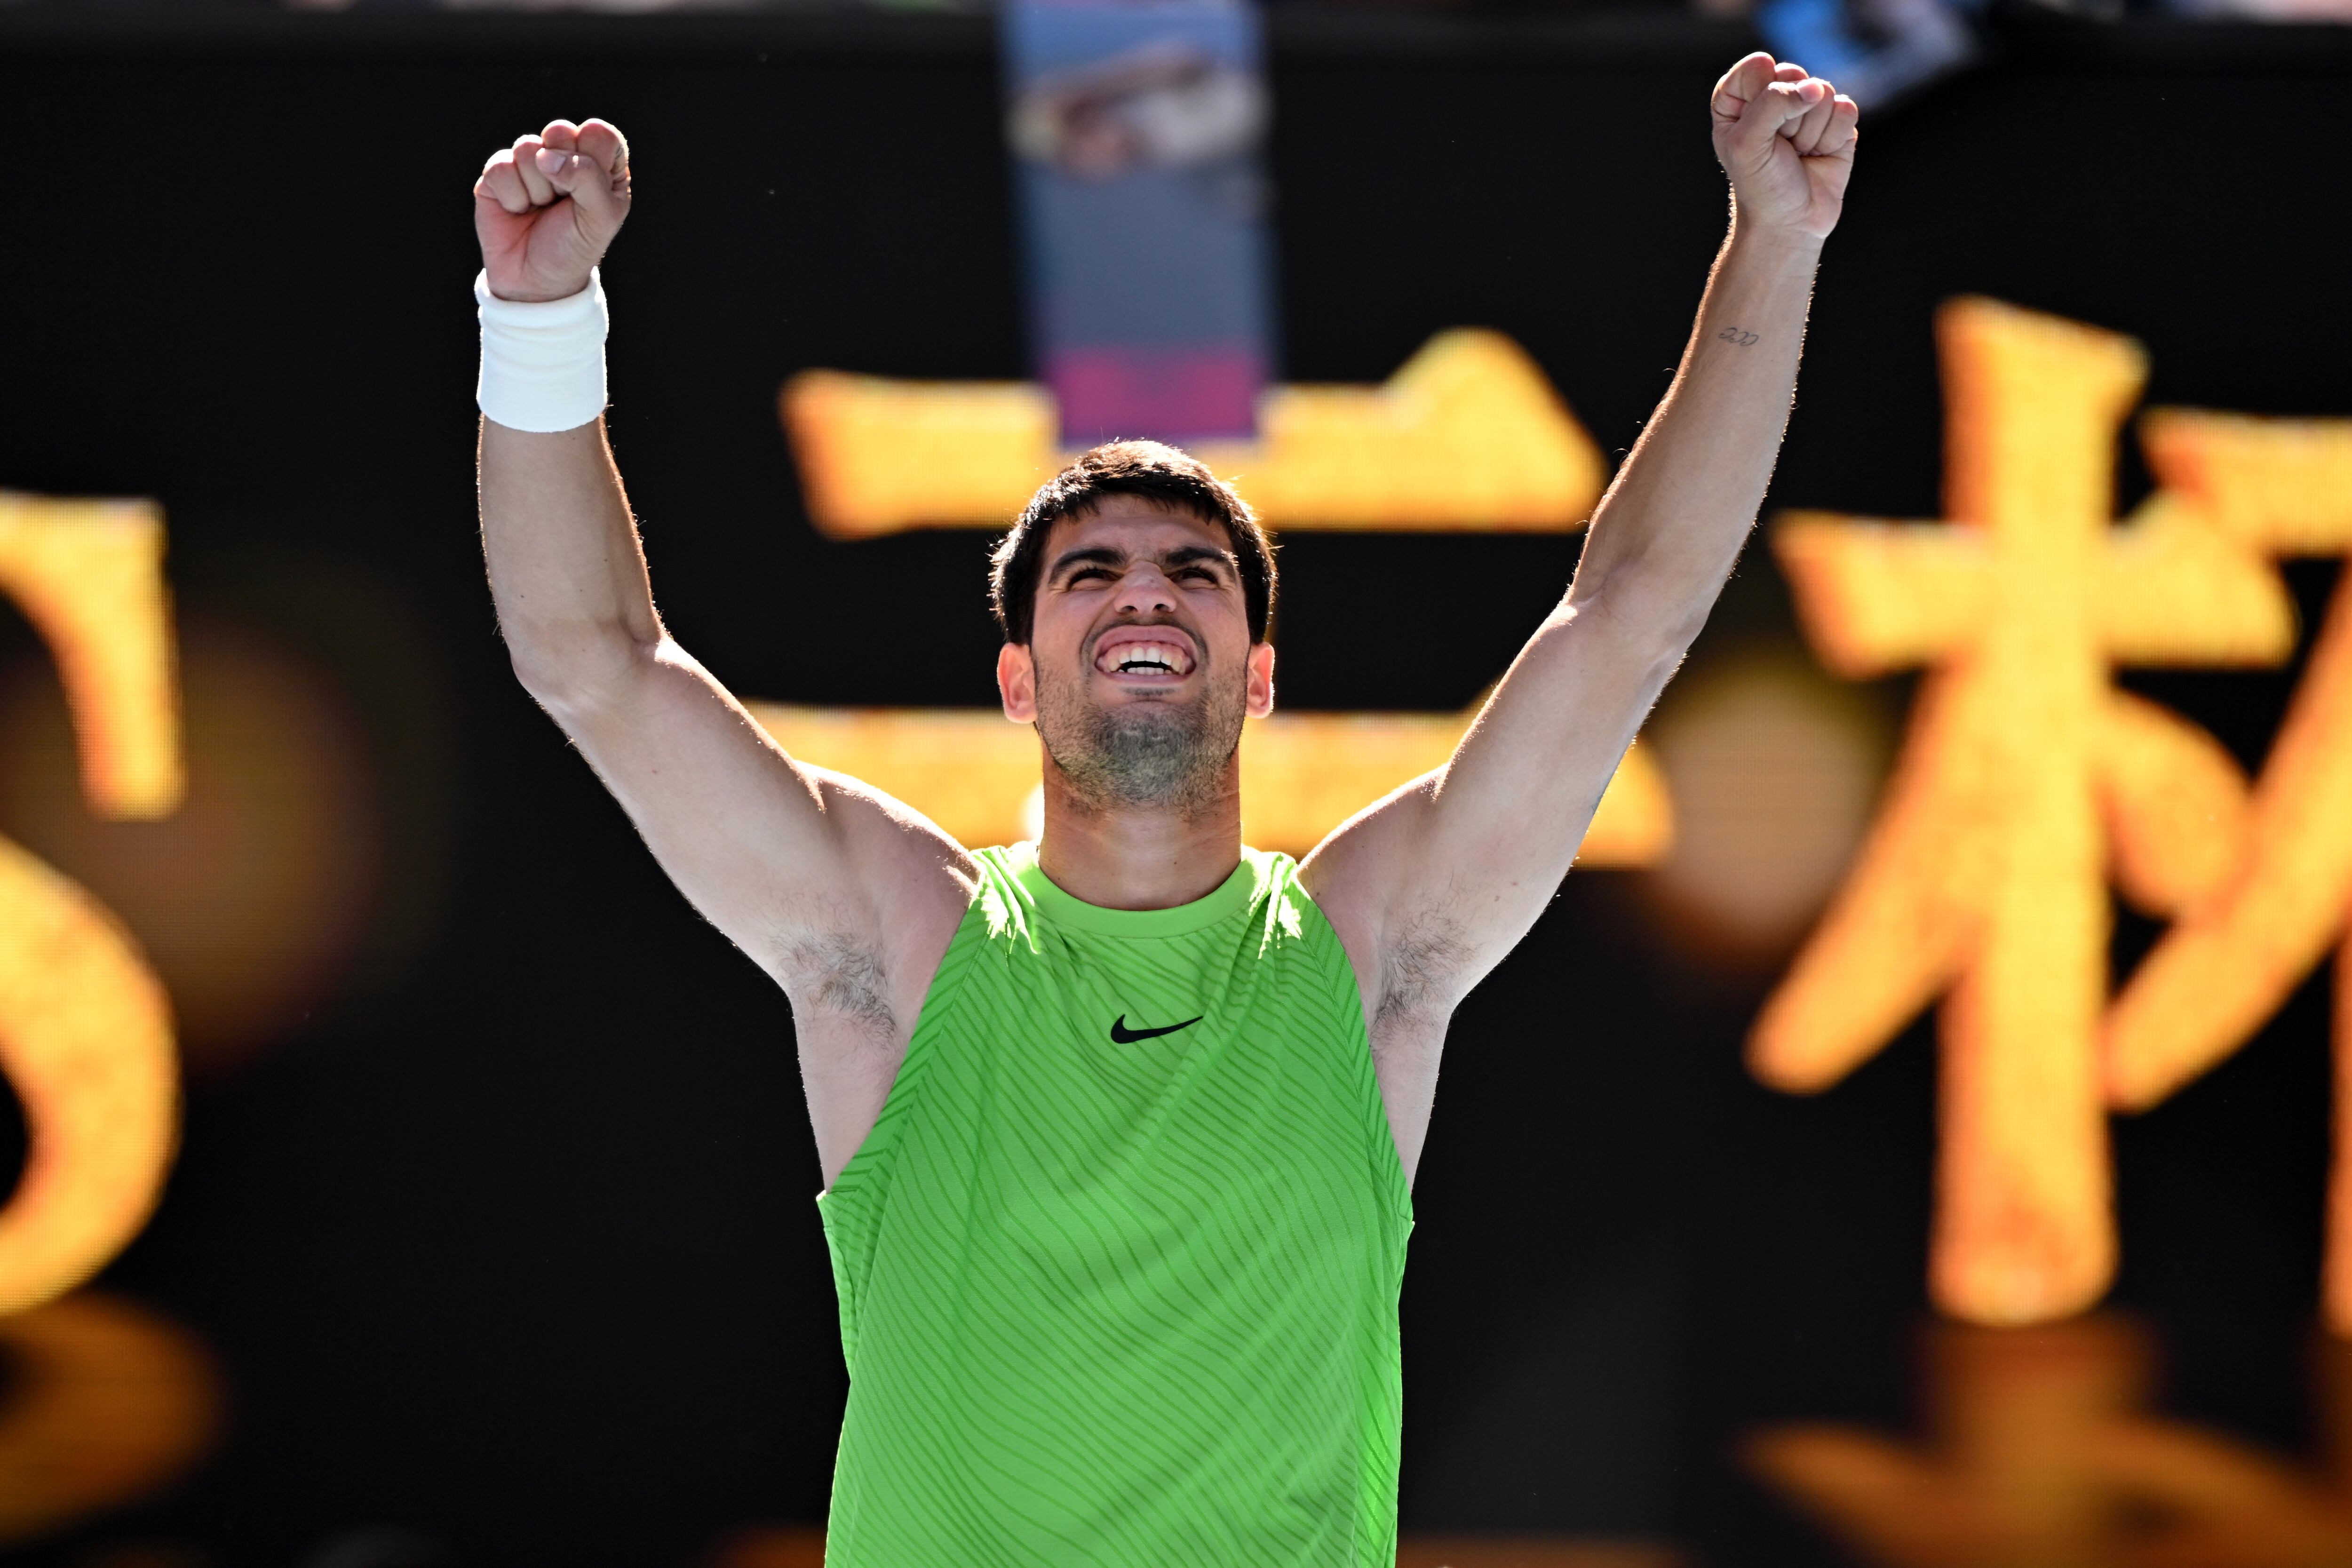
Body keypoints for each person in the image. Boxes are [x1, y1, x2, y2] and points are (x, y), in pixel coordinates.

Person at [473, 50, 1856, 1568]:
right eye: (1092, 574)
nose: (1146, 592)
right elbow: (594, 663)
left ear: (1256, 678)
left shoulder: (1368, 947)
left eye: (1193, 573)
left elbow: (1629, 618)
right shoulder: (899, 937)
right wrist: (540, 320)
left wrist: (1773, 244)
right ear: (1020, 681)